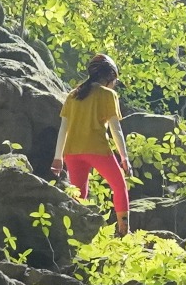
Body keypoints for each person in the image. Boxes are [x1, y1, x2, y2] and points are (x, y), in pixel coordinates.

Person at [56, 55, 132, 234]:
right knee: (119, 186)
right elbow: (116, 130)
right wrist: (124, 157)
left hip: (72, 151)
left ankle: (76, 233)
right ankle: (124, 231)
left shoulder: (73, 95)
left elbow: (63, 129)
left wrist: (57, 158)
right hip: (97, 149)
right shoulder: (108, 95)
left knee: (79, 195)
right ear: (110, 76)